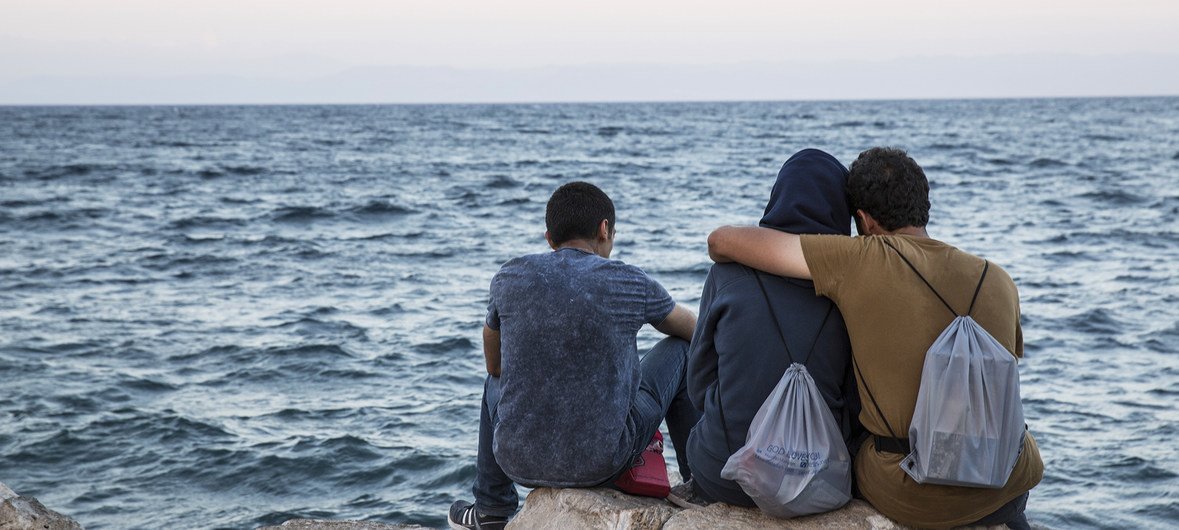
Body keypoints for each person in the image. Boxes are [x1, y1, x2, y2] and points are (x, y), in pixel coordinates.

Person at [706, 147, 1044, 529]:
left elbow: (722, 242)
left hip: (911, 491)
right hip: (1007, 478)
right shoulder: (999, 279)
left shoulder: (862, 259)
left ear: (864, 221)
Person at [448, 181, 700, 530]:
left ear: (549, 238)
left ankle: (491, 510)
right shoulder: (628, 280)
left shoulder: (509, 276)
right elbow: (694, 332)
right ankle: (697, 485)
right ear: (605, 229)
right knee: (681, 350)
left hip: (518, 461)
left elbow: (494, 362)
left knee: (494, 381)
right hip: (603, 462)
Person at [668, 149, 862, 508]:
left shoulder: (725, 275)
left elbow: (698, 386)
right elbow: (854, 400)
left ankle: (693, 484)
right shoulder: (849, 287)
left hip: (725, 478)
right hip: (820, 481)